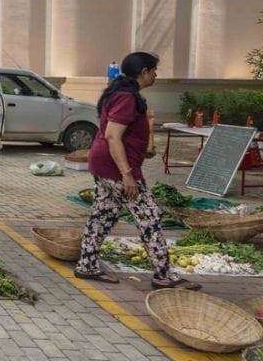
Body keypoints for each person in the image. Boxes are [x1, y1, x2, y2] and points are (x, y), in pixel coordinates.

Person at [75, 52, 199, 289]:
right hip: (115, 168)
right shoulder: (126, 98)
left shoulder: (121, 94)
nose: (155, 75)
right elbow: (113, 136)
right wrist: (127, 175)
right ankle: (163, 275)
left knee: (103, 214)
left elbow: (123, 135)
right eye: (153, 70)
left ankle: (87, 265)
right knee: (149, 217)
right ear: (143, 72)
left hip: (103, 164)